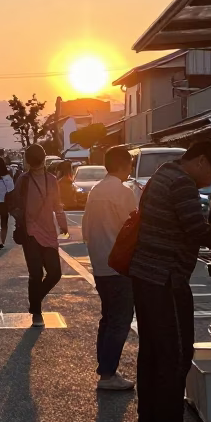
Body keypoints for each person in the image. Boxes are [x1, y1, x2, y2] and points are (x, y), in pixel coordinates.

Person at [129, 140, 211, 422]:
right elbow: (196, 229)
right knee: (175, 354)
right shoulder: (182, 184)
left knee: (152, 353)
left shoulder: (163, 173)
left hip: (145, 274)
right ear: (200, 161)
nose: (210, 181)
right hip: (166, 278)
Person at [81, 145, 138, 392]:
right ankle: (108, 374)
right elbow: (134, 226)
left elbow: (85, 227)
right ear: (124, 165)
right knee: (120, 319)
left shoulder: (96, 190)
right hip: (120, 264)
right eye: (130, 164)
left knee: (108, 317)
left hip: (99, 261)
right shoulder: (123, 192)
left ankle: (105, 367)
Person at [17, 143, 68, 326]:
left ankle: (35, 303)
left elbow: (16, 205)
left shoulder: (46, 180)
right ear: (44, 158)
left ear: (28, 161)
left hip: (43, 233)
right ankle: (37, 311)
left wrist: (62, 224)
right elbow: (58, 206)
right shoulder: (25, 180)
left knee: (46, 274)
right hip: (31, 233)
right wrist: (63, 225)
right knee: (46, 273)